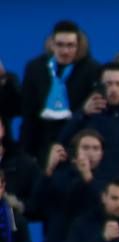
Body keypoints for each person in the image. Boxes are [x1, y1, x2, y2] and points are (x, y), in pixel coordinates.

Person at [20, 21, 102, 161]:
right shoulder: (35, 68)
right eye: (60, 45)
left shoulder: (92, 69)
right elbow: (28, 113)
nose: (64, 51)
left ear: (79, 45)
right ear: (51, 44)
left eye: (70, 45)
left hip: (76, 141)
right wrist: (26, 153)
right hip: (42, 140)